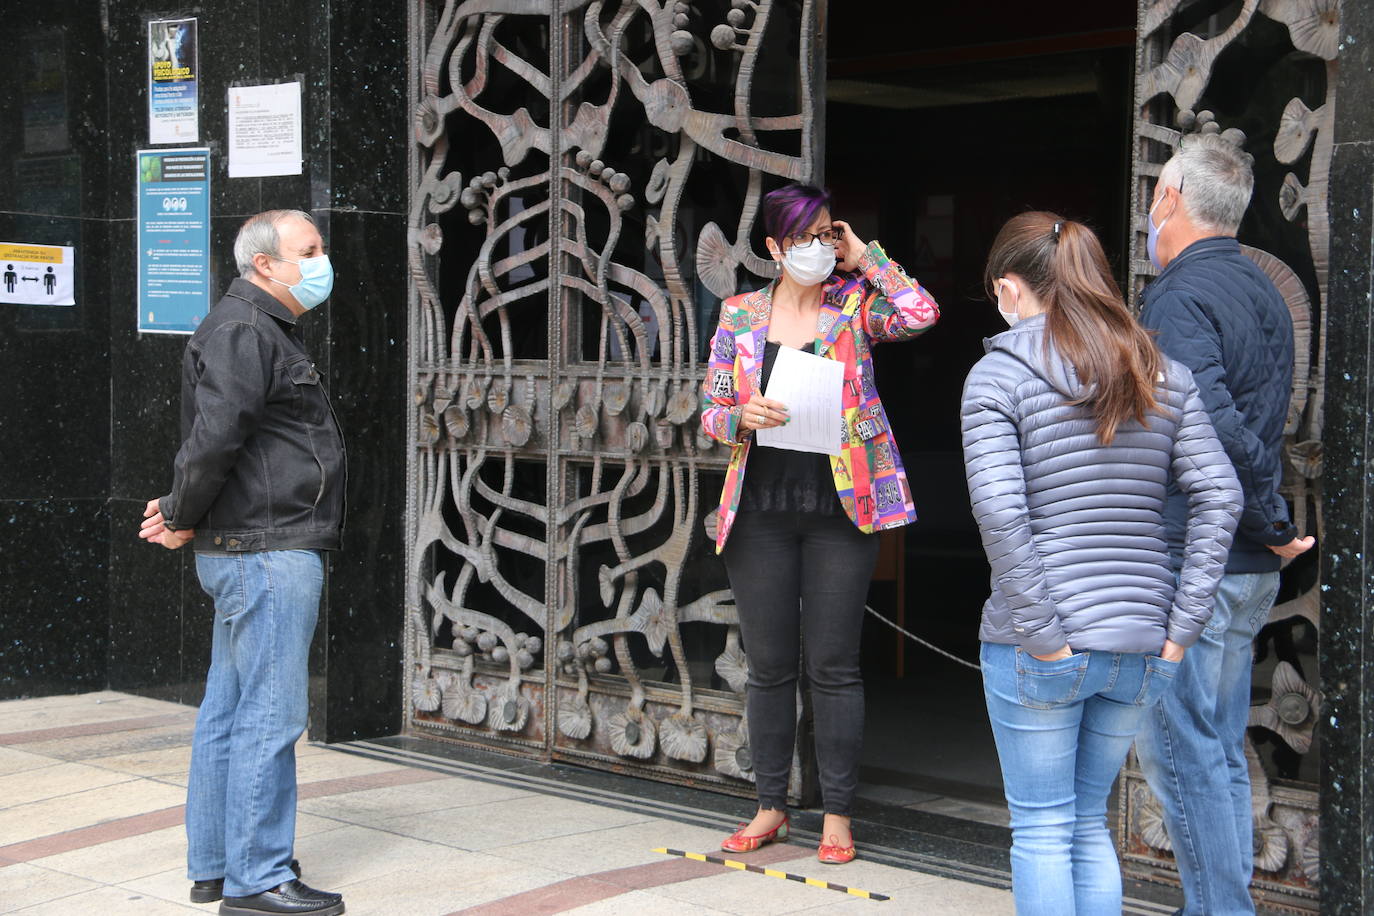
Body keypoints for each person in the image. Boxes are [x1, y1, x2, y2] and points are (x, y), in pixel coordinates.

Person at [961, 212, 1242, 915]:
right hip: (1141, 643)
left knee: (1043, 828)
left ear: (1009, 288)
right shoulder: (1159, 370)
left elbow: (999, 512)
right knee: (1086, 824)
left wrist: (1044, 633)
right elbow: (1221, 496)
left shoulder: (999, 374)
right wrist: (1181, 627)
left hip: (1042, 643)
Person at [700, 183, 940, 864]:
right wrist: (737, 416)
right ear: (775, 248)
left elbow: (921, 312)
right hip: (760, 516)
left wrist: (864, 253)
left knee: (834, 666)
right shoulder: (740, 314)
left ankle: (837, 814)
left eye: (825, 235)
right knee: (769, 668)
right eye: (802, 238)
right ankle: (770, 804)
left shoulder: (855, 308)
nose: (816, 249)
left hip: (842, 511)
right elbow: (711, 409)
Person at [139, 209, 347, 916]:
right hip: (267, 549)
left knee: (229, 709)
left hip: (253, 547)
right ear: (265, 264)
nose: (322, 260)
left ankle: (218, 867)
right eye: (309, 250)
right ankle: (257, 877)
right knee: (268, 714)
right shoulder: (244, 329)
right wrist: (179, 514)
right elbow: (215, 437)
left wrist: (181, 512)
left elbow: (222, 438)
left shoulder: (252, 328)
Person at [1133, 134, 1315, 916]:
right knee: (1218, 753)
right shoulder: (1264, 289)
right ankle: (1218, 903)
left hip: (1193, 565)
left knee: (1181, 755)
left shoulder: (1178, 297)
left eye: (1155, 193)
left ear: (1170, 199)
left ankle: (1220, 911)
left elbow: (1205, 422)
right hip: (1238, 570)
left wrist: (1271, 517)